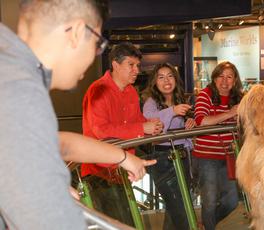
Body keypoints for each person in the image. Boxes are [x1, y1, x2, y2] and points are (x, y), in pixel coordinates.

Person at [0, 1, 156, 229]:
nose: (95, 55)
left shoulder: (11, 70)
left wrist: (123, 158)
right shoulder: (20, 90)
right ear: (76, 32)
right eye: (97, 44)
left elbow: (59, 143)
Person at [81, 42, 163, 225]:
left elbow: (136, 121)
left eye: (138, 65)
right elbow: (102, 130)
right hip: (99, 172)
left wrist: (150, 125)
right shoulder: (98, 90)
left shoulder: (131, 92)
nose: (136, 70)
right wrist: (142, 128)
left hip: (121, 169)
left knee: (126, 221)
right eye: (131, 65)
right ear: (116, 65)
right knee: (120, 224)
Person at [142, 62, 196, 230]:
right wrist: (172, 111)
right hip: (162, 157)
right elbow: (152, 124)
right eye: (161, 77)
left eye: (170, 76)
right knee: (178, 206)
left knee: (178, 205)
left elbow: (183, 124)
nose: (167, 80)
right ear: (155, 82)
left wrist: (190, 121)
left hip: (182, 155)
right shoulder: (150, 102)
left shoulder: (180, 100)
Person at [192, 61, 243, 230]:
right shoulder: (205, 95)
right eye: (221, 76)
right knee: (210, 201)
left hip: (228, 156)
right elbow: (201, 121)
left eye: (229, 77)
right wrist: (230, 113)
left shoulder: (239, 98)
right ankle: (209, 226)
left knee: (232, 201)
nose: (225, 81)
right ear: (214, 78)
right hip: (206, 157)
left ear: (235, 80)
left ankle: (207, 225)